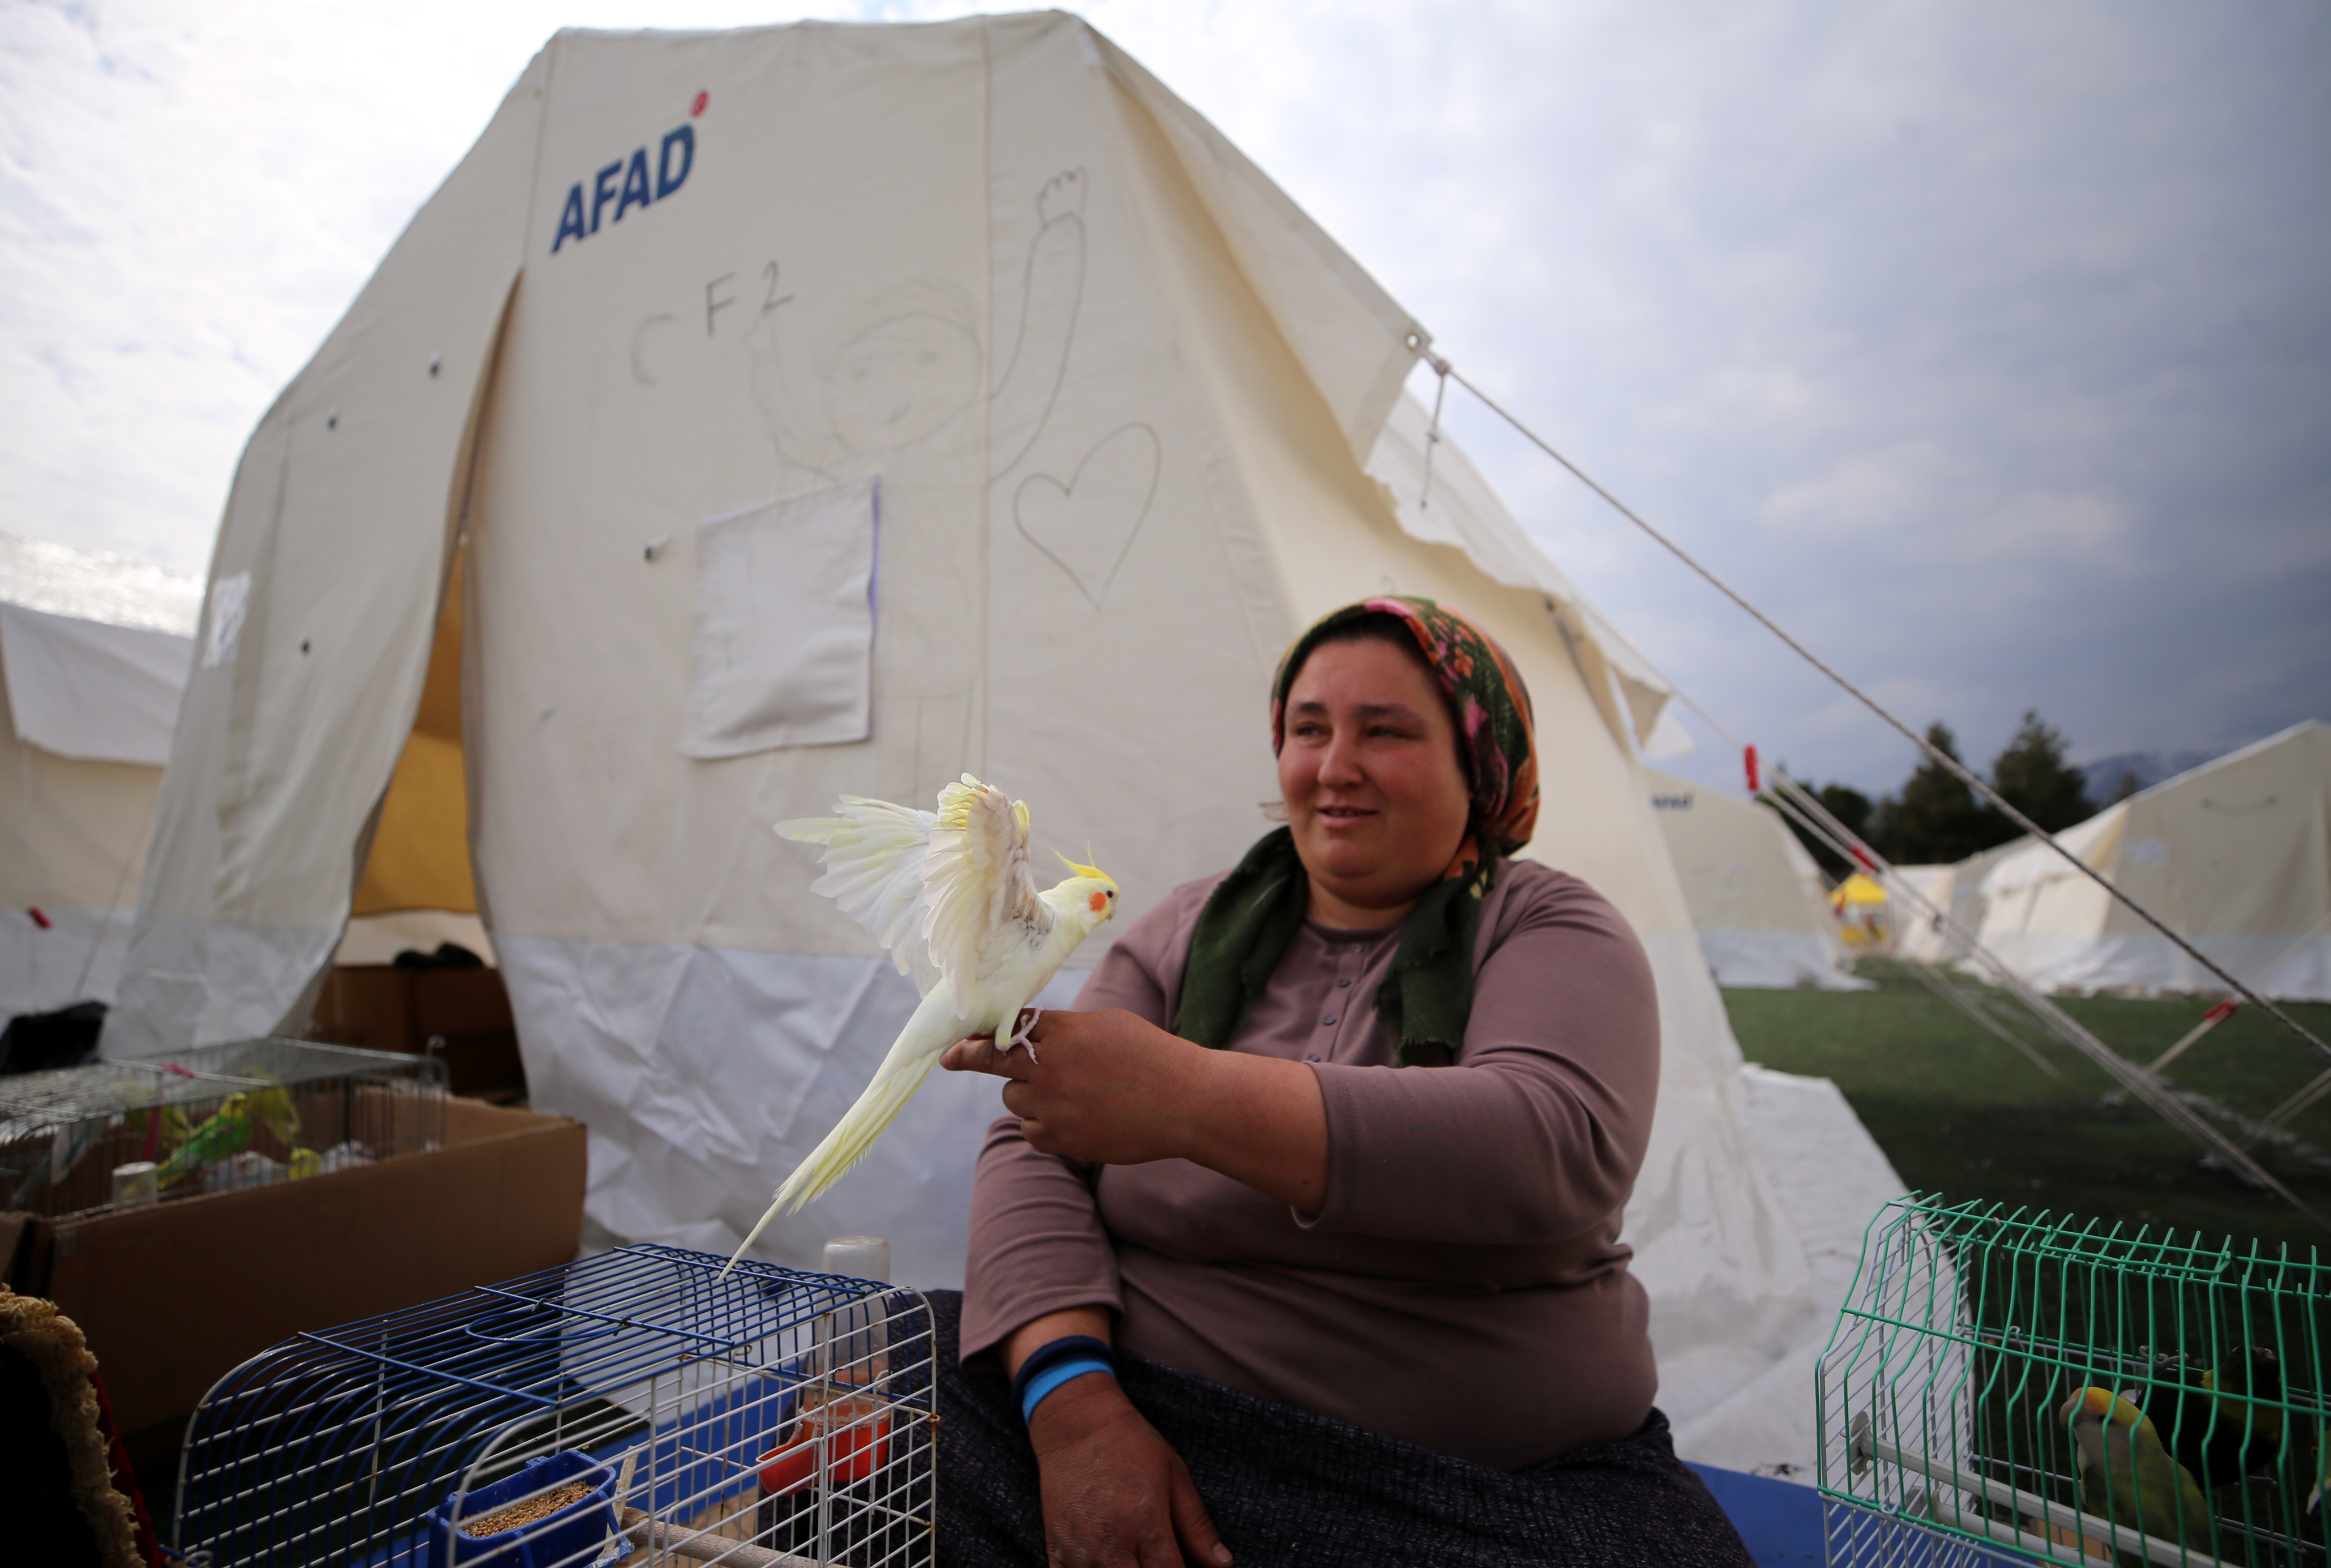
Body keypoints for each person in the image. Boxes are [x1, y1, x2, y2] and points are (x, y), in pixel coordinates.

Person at [929, 596, 1752, 1567]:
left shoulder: (1550, 925)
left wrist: (1191, 1099)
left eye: (1387, 730)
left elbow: (1552, 1144)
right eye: (1308, 728)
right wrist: (1073, 1409)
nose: (1334, 766)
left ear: (1477, 763)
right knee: (872, 1421)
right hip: (1148, 1410)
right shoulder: (1181, 932)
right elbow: (1035, 1149)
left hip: (1477, 1486)